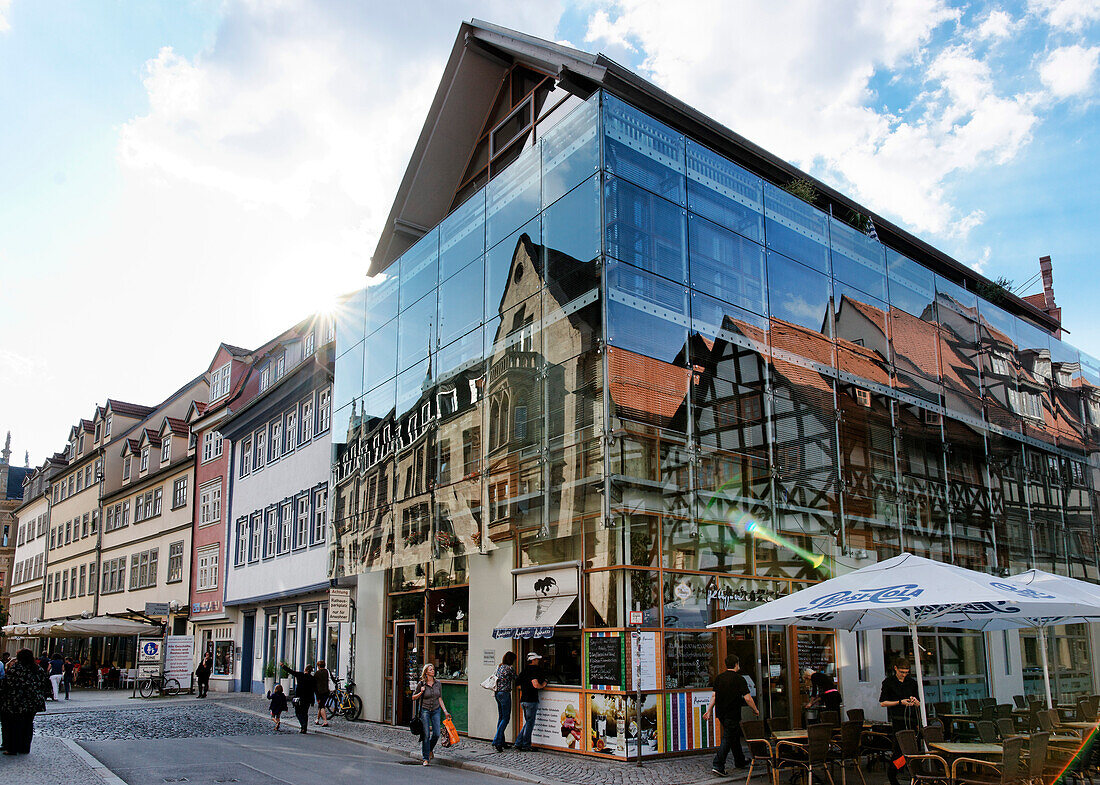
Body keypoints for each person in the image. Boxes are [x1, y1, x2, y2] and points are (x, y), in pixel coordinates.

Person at [703, 654, 759, 775]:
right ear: (736, 664)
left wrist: (709, 710)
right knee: (728, 738)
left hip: (721, 713)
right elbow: (748, 698)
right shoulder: (739, 679)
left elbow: (714, 696)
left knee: (734, 737)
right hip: (732, 713)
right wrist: (755, 709)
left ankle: (740, 760)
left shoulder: (719, 678)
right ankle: (718, 765)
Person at [0, 648, 52, 754]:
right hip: (33, 701)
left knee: (14, 725)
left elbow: (7, 684)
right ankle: (25, 748)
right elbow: (44, 683)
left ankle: (13, 748)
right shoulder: (37, 669)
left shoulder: (17, 669)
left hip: (17, 701)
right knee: (28, 724)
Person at [879, 657, 921, 785]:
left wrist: (914, 701)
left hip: (911, 719)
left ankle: (916, 775)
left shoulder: (912, 682)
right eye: (901, 672)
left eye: (906, 672)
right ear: (895, 669)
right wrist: (899, 702)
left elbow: (919, 703)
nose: (904, 675)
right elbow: (883, 703)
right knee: (899, 749)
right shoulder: (888, 682)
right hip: (898, 719)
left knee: (915, 747)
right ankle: (893, 773)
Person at [410, 663, 451, 765]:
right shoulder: (421, 684)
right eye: (430, 669)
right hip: (425, 710)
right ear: (426, 672)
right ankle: (425, 758)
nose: (433, 671)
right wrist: (421, 692)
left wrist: (445, 712)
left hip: (436, 709)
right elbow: (413, 697)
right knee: (426, 734)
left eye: (433, 669)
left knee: (437, 733)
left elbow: (439, 698)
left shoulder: (438, 683)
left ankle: (429, 750)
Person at [514, 652, 547, 752]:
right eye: (536, 659)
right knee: (530, 723)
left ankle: (518, 743)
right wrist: (543, 685)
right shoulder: (534, 670)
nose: (538, 661)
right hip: (531, 700)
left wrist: (525, 688)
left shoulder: (524, 671)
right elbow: (536, 684)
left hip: (523, 700)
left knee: (528, 722)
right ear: (532, 660)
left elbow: (518, 685)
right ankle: (525, 745)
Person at [491, 651, 517, 752]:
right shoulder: (509, 668)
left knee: (501, 717)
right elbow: (516, 678)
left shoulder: (499, 667)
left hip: (497, 693)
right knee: (506, 718)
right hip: (505, 694)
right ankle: (497, 741)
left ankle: (501, 741)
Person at [281, 662, 316, 734]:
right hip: (308, 698)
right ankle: (304, 727)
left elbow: (291, 671)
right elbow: (314, 690)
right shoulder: (312, 678)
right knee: (305, 713)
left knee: (298, 712)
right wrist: (313, 700)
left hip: (299, 697)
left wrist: (283, 666)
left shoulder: (300, 675)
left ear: (305, 669)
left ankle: (303, 725)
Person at [313, 660, 331, 726]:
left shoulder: (317, 673)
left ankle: (325, 721)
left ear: (318, 666)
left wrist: (317, 696)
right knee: (320, 706)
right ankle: (317, 720)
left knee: (322, 706)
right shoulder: (326, 672)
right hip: (326, 691)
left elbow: (314, 684)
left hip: (320, 692)